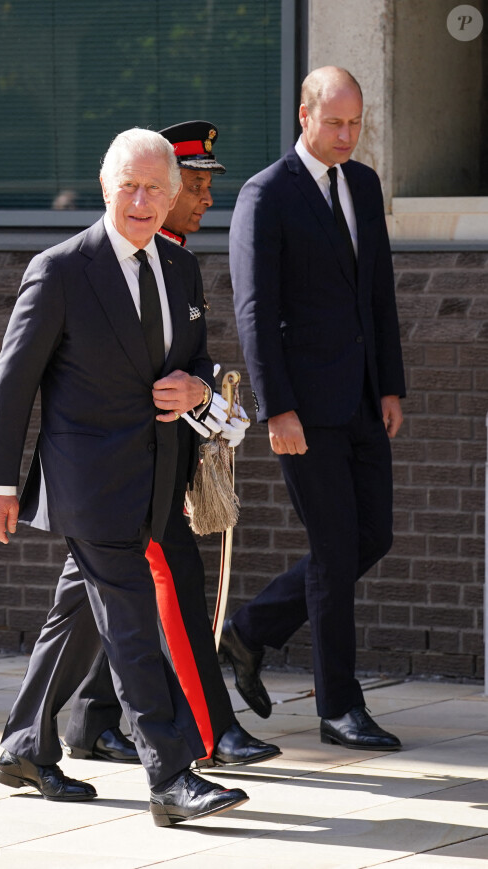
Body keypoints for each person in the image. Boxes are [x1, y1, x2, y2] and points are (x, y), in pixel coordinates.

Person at [0, 127, 249, 826]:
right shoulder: (62, 269)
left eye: (155, 187)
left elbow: (196, 361)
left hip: (156, 479)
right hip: (87, 482)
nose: (141, 200)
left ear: (173, 194)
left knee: (78, 615)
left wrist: (197, 389)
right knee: (129, 618)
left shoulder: (182, 269)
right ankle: (171, 773)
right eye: (128, 185)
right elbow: (14, 383)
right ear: (105, 188)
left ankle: (24, 745)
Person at [61, 121, 280, 772]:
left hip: (162, 464)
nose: (207, 197)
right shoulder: (138, 256)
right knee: (174, 589)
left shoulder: (176, 258)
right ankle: (210, 730)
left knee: (89, 604)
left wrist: (213, 403)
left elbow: (194, 364)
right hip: (131, 472)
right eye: (200, 184)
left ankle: (86, 721)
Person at [224, 67, 406, 752]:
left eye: (356, 124)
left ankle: (248, 632)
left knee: (372, 537)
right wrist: (277, 408)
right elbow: (254, 310)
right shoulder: (265, 195)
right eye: (334, 122)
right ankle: (339, 707)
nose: (346, 136)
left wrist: (389, 384)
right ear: (304, 115)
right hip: (303, 407)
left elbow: (378, 291)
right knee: (333, 549)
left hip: (361, 397)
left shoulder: (361, 183)